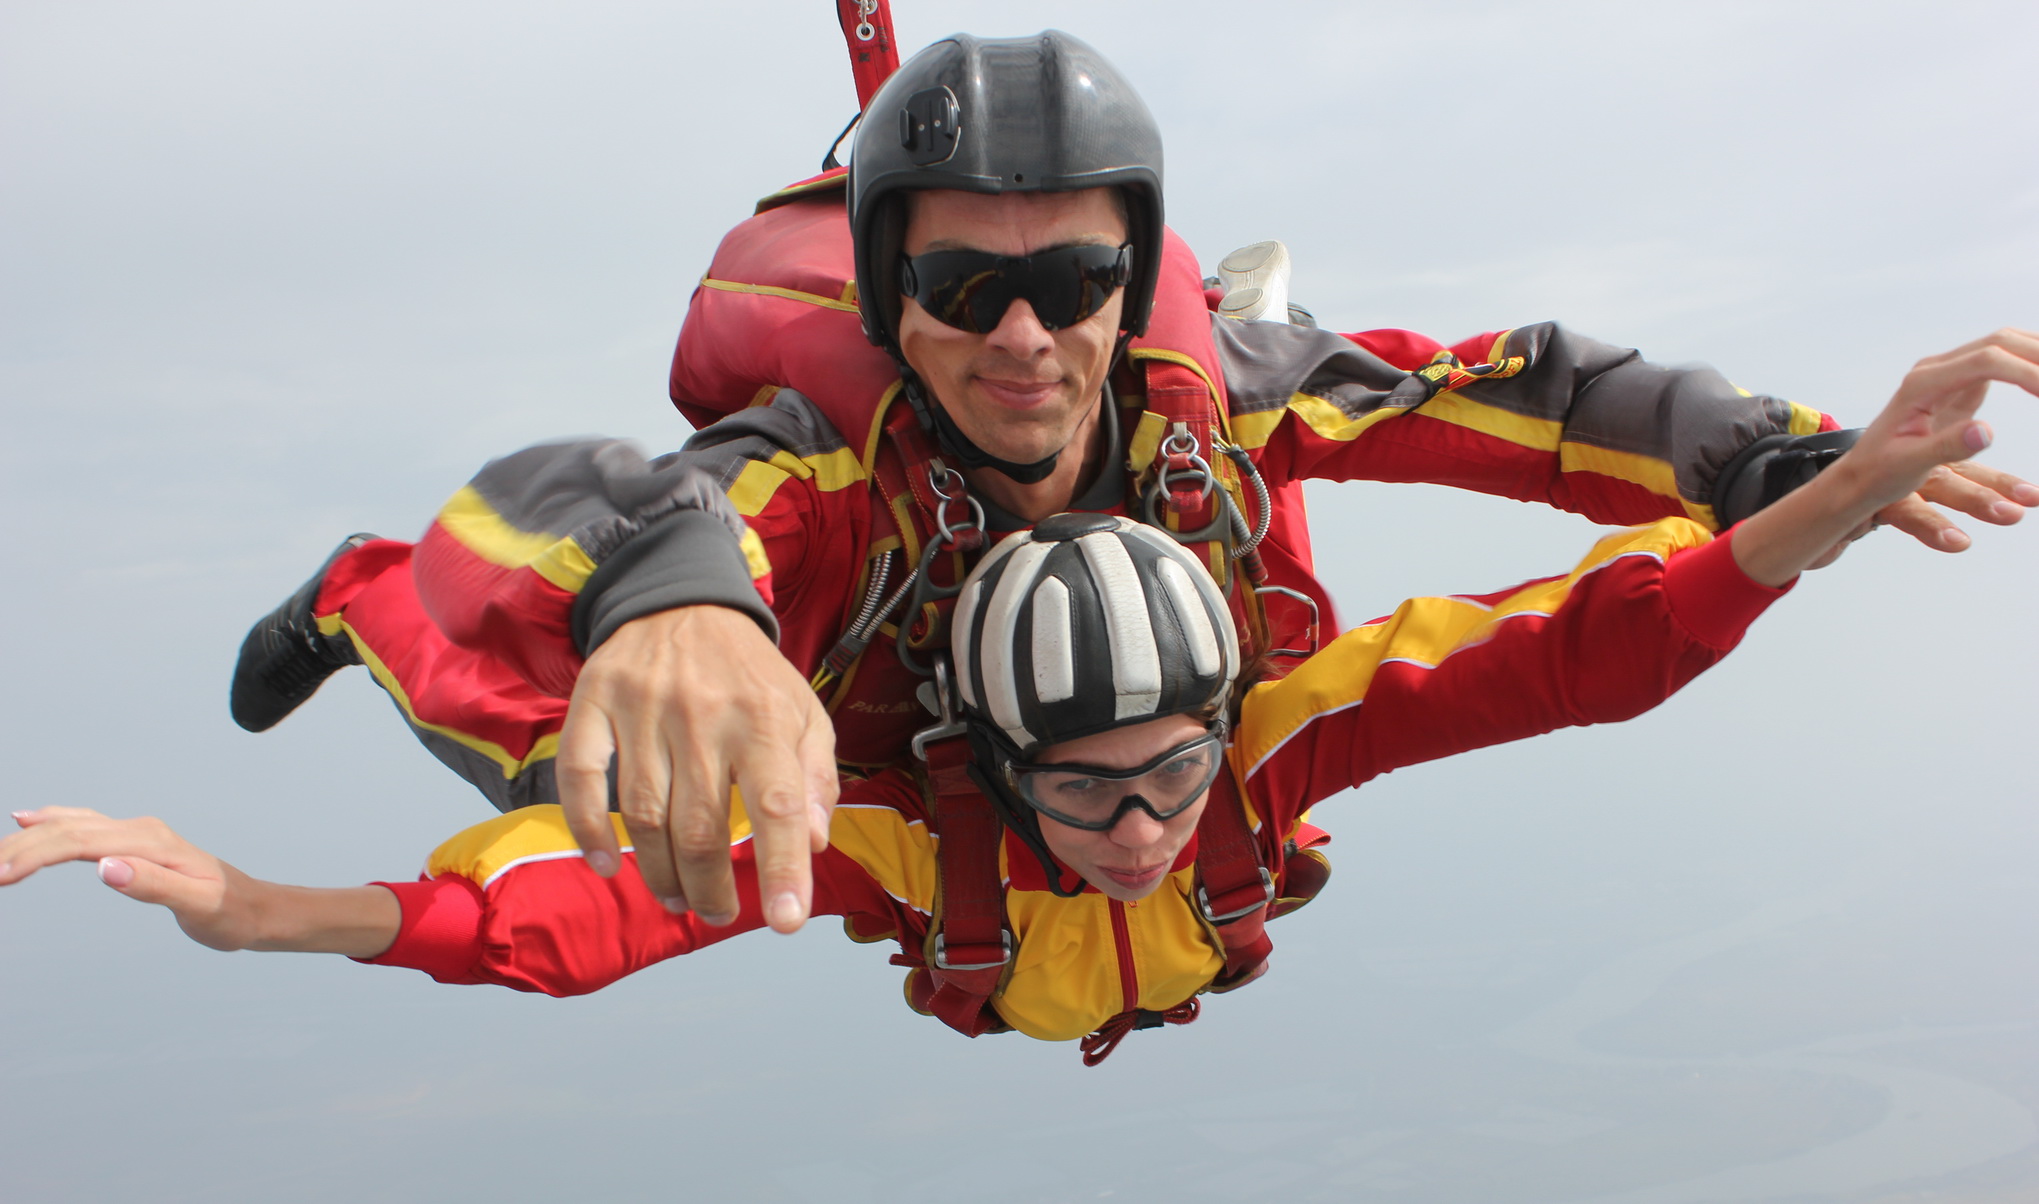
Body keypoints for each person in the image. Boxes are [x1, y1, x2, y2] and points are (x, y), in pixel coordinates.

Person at [225, 31, 2034, 944]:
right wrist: (675, 598)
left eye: (1077, 280)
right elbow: (571, 500)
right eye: (959, 289)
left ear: (1129, 279)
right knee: (606, 757)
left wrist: (1770, 458)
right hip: (886, 688)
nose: (1023, 338)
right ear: (888, 299)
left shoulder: (1211, 397)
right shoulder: (816, 472)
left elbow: (1530, 399)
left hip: (1165, 614)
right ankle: (348, 598)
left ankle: (1203, 335)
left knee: (1272, 517)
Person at [11, 333, 2031, 1061]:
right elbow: (593, 907)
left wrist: (1814, 488)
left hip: (1203, 484)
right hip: (836, 590)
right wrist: (271, 909)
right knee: (550, 741)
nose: (1145, 821)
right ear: (991, 761)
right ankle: (356, 594)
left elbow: (1568, 652)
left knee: (1274, 413)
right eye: (1093, 787)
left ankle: (1228, 331)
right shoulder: (914, 832)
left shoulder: (1262, 739)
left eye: (1173, 768)